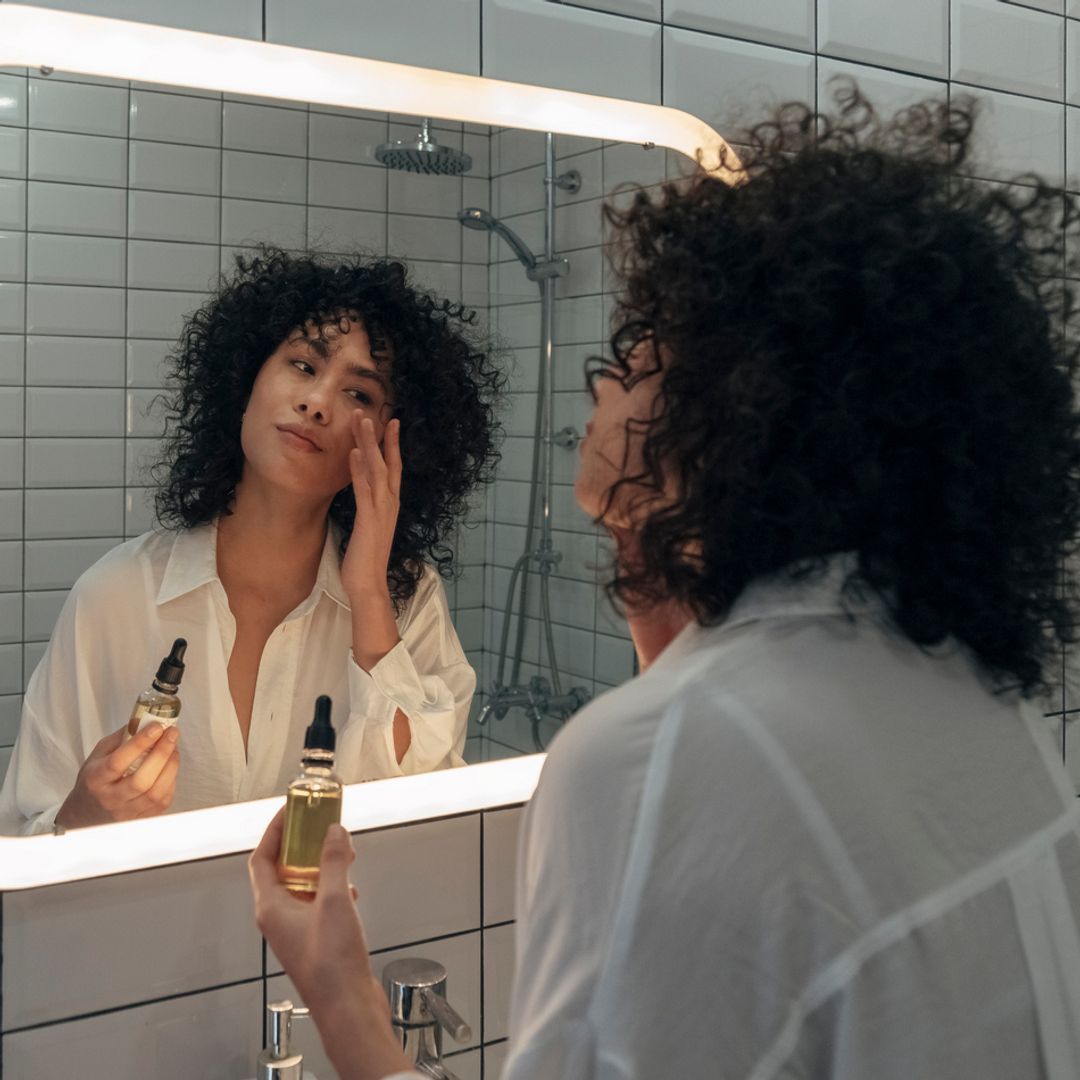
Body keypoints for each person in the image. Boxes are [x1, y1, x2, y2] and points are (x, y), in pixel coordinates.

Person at [249, 90, 1080, 1079]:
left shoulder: (660, 764)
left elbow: (684, 753)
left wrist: (337, 984)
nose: (603, 379)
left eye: (640, 354)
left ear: (741, 409)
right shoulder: (981, 697)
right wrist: (648, 552)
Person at [0, 248, 503, 834]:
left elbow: (426, 820)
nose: (316, 403)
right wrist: (82, 814)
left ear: (398, 441)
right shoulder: (115, 593)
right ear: (245, 378)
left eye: (359, 394)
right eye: (304, 366)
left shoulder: (406, 600)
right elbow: (21, 832)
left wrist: (367, 591)